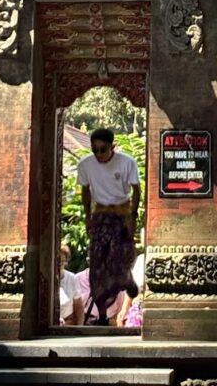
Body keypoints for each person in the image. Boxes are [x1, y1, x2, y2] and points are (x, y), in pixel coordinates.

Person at [77, 128, 141, 325]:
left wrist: (132, 215)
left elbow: (137, 189)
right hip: (100, 214)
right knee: (97, 265)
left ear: (112, 147)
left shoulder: (127, 162)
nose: (98, 154)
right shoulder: (86, 165)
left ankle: (127, 281)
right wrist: (88, 216)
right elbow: (86, 191)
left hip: (121, 213)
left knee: (116, 259)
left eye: (103, 149)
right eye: (95, 150)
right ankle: (103, 315)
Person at [59, 244, 84, 325]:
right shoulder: (45, 278)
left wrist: (80, 327)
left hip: (68, 323)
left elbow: (78, 306)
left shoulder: (72, 278)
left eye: (62, 261)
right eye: (57, 261)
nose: (60, 264)